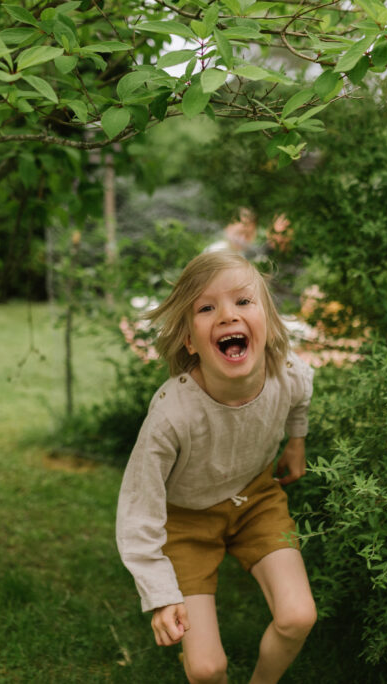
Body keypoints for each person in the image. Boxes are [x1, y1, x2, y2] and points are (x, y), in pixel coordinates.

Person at [116, 251, 317, 684]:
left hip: (257, 500)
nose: (228, 315)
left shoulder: (286, 373)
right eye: (207, 308)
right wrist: (161, 594)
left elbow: (302, 394)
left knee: (298, 616)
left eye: (243, 302)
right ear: (190, 341)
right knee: (207, 669)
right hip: (186, 523)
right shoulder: (172, 414)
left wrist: (296, 442)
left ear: (268, 320)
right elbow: (139, 508)